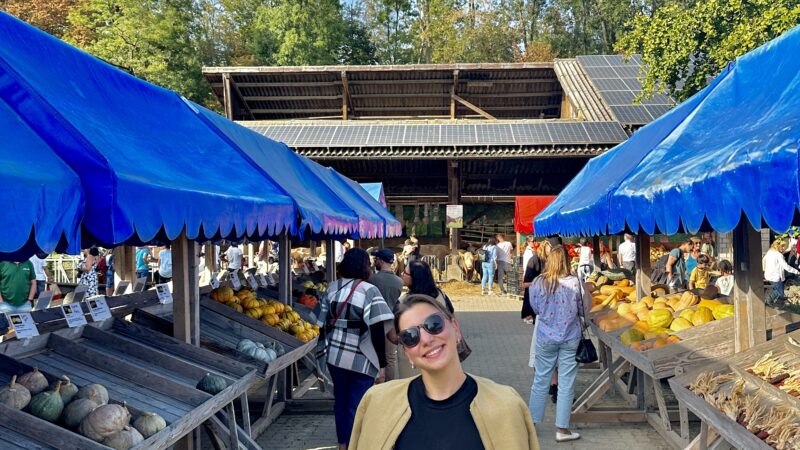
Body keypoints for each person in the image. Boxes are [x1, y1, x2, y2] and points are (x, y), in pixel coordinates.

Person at [350, 294, 540, 450]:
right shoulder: (378, 403)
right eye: (410, 336)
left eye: (433, 324)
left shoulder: (506, 405)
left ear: (455, 329)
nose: (425, 339)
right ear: (407, 353)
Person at [317, 248, 394, 450]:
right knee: (357, 405)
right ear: (365, 267)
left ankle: (343, 444)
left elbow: (319, 321)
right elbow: (378, 329)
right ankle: (355, 445)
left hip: (335, 356)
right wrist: (382, 365)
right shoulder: (369, 291)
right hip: (362, 357)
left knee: (340, 403)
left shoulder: (332, 288)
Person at [528, 245, 592, 443]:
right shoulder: (574, 282)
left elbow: (536, 308)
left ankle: (531, 425)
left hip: (545, 338)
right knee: (566, 383)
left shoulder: (538, 282)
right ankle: (562, 429)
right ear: (566, 261)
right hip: (570, 338)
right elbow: (583, 310)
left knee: (540, 380)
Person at [369, 249, 405, 381]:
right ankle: (389, 385)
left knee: (374, 354)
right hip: (390, 321)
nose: (374, 261)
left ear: (381, 261)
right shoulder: (399, 281)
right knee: (390, 357)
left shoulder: (372, 279)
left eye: (376, 259)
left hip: (374, 322)